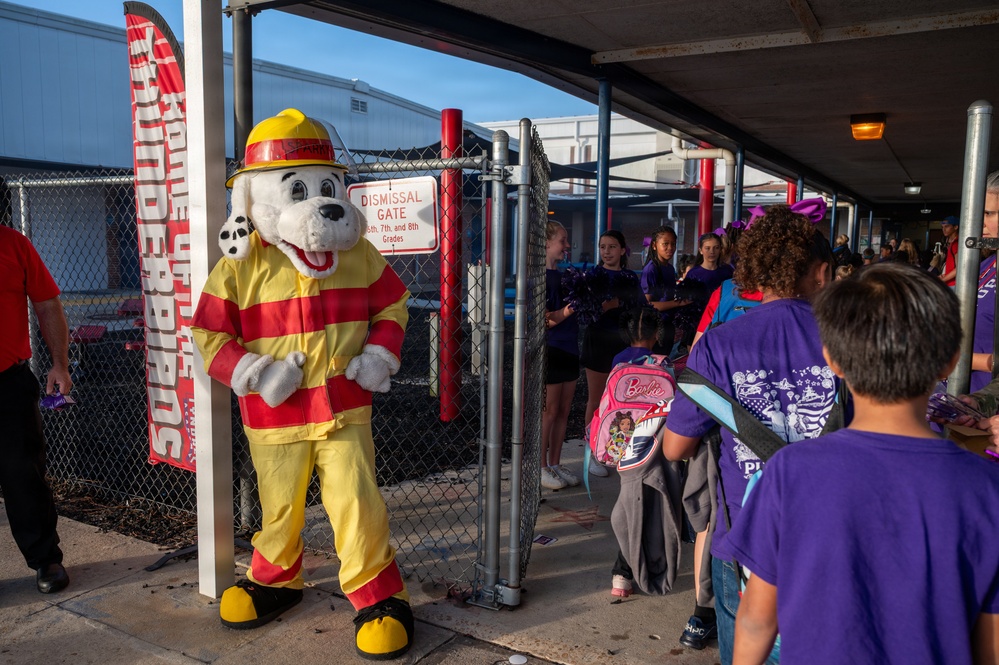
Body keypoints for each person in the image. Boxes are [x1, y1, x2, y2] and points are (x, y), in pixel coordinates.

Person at [724, 263, 999, 665]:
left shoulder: (788, 474)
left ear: (832, 359)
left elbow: (757, 622)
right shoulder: (987, 488)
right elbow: (990, 647)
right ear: (951, 361)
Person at [661, 205, 837, 664]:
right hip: (834, 537)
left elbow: (676, 446)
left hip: (746, 539)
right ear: (821, 273)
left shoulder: (719, 343)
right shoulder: (848, 339)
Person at [0, 225, 72, 594]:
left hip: (7, 383)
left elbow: (46, 304)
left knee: (24, 476)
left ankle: (46, 559)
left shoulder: (14, 244)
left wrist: (59, 364)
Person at [607, 304, 663, 597]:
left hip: (622, 443)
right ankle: (627, 572)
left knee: (628, 504)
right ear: (657, 334)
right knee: (643, 509)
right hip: (652, 446)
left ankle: (624, 575)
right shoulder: (661, 363)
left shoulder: (618, 360)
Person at [541, 220, 580, 490]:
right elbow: (543, 320)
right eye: (562, 240)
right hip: (552, 348)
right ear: (545, 243)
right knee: (550, 411)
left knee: (564, 410)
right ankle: (540, 466)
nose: (567, 246)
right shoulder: (537, 278)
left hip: (570, 346)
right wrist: (572, 308)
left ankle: (554, 463)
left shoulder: (565, 275)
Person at [969, 171, 999, 393]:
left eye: (988, 212)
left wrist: (960, 361)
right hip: (962, 403)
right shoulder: (987, 264)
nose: (980, 221)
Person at [641, 226, 689, 355]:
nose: (670, 248)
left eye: (673, 244)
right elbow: (648, 305)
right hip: (655, 328)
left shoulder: (669, 268)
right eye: (665, 244)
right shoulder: (651, 269)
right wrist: (679, 303)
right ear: (654, 245)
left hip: (668, 325)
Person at [940, 215, 960, 286]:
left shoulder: (956, 243)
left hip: (954, 284)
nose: (944, 229)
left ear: (955, 227)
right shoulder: (953, 243)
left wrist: (943, 279)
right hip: (951, 282)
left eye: (947, 226)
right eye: (942, 227)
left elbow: (959, 268)